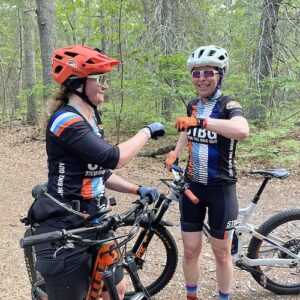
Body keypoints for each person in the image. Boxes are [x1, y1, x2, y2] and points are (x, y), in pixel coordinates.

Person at [31, 45, 165, 300]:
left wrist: (137, 189)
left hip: (95, 218)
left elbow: (99, 172)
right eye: (99, 79)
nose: (105, 85)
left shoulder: (91, 121)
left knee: (115, 290)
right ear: (78, 82)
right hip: (65, 222)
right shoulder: (65, 120)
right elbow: (113, 158)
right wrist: (146, 131)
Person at [165, 45, 249, 300]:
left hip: (221, 189)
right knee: (190, 250)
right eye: (196, 73)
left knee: (221, 252)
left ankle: (223, 297)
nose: (201, 79)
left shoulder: (229, 105)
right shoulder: (193, 104)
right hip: (192, 186)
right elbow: (186, 130)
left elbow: (241, 130)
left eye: (208, 73)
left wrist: (202, 122)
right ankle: (192, 296)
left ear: (220, 74)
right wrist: (175, 153)